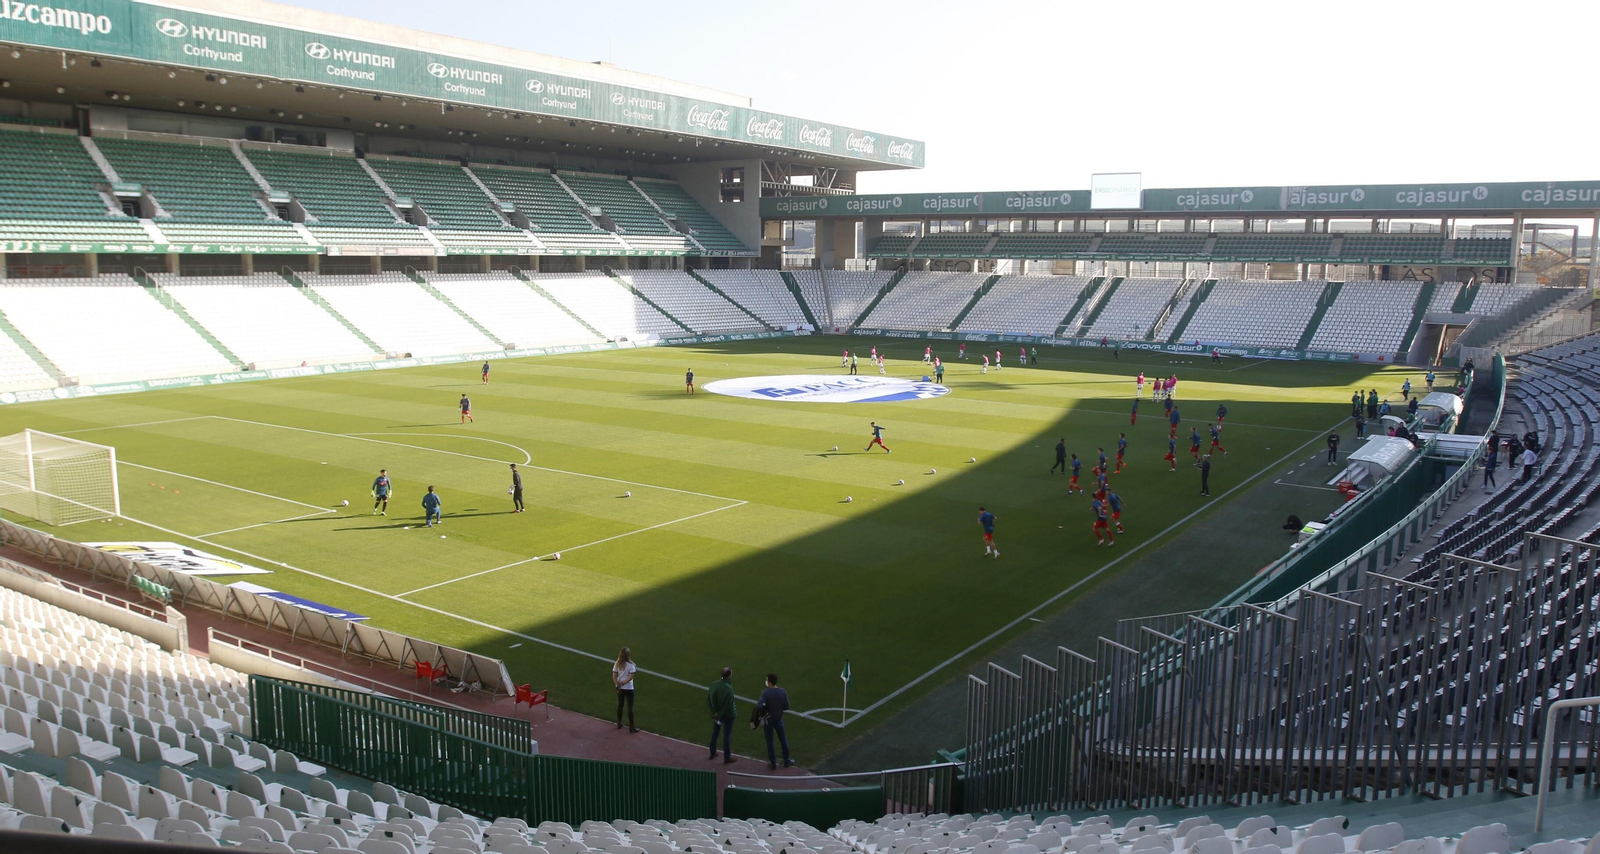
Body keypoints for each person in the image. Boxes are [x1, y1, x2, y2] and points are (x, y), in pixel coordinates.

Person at [754, 673, 792, 769]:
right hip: (778, 719)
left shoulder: (765, 693)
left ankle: (773, 762)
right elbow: (787, 706)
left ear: (770, 682)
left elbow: (759, 706)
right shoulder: (782, 692)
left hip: (768, 720)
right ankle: (786, 760)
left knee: (770, 742)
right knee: (783, 739)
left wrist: (765, 709)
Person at [706, 667, 736, 763]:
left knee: (715, 732)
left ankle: (712, 752)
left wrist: (715, 713)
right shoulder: (729, 688)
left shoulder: (714, 684)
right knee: (727, 734)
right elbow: (728, 705)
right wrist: (720, 714)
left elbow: (708, 699)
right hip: (728, 715)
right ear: (729, 676)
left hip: (717, 714)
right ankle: (727, 756)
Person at [614, 648, 637, 733]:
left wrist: (617, 684)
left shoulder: (617, 664)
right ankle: (632, 726)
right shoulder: (631, 665)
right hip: (629, 688)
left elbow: (614, 675)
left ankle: (619, 722)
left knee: (620, 705)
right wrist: (623, 683)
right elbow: (631, 677)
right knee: (630, 707)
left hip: (620, 688)